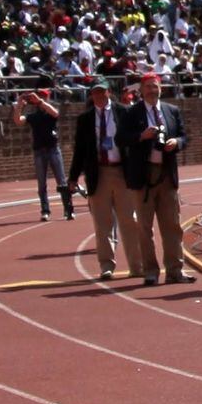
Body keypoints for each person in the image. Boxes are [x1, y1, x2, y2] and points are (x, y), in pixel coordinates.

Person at [120, 72, 194, 285]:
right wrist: (141, 136)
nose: (152, 90)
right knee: (144, 226)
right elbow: (121, 139)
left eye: (155, 86)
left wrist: (176, 143)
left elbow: (184, 136)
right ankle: (150, 271)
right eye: (148, 87)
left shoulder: (172, 111)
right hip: (143, 176)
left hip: (167, 175)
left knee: (172, 225)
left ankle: (175, 271)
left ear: (161, 88)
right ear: (141, 90)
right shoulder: (132, 113)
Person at [69, 78, 142, 280]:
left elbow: (133, 143)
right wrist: (73, 177)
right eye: (95, 93)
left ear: (109, 92)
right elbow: (80, 150)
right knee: (103, 223)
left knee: (129, 220)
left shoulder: (124, 112)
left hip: (121, 171)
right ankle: (106, 265)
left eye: (102, 92)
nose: (99, 96)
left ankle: (137, 265)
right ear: (91, 95)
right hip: (97, 173)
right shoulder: (85, 119)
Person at [14, 88, 74, 222]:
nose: (39, 98)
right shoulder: (33, 115)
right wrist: (19, 104)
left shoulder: (49, 110)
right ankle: (45, 211)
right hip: (39, 151)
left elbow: (55, 113)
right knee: (42, 184)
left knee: (62, 182)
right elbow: (18, 121)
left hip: (53, 149)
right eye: (38, 96)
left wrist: (39, 101)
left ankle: (68, 210)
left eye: (43, 96)